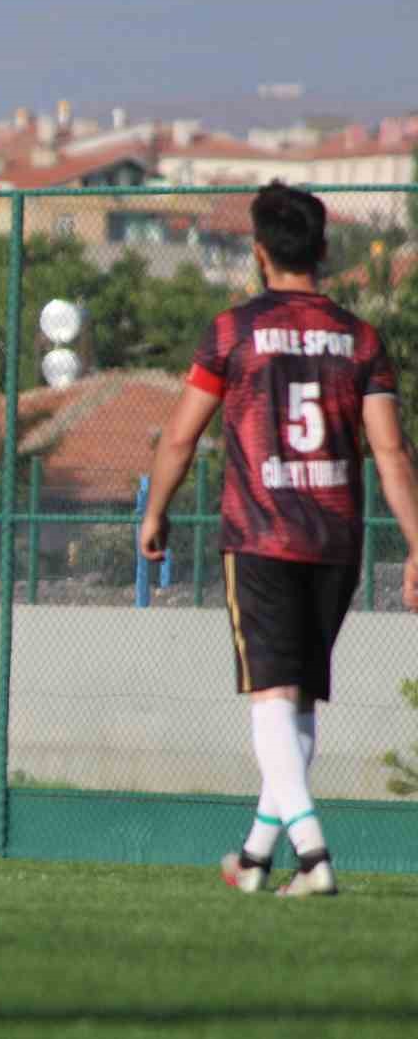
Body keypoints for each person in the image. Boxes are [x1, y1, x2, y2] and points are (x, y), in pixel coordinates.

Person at [140, 181, 418, 896]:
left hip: (261, 535)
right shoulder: (360, 339)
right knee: (296, 702)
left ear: (259, 253)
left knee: (271, 695)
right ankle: (259, 856)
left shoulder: (233, 332)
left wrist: (155, 513)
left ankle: (315, 855)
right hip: (336, 539)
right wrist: (417, 544)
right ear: (323, 251)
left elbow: (180, 434)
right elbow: (391, 453)